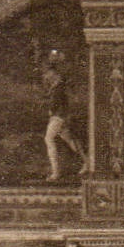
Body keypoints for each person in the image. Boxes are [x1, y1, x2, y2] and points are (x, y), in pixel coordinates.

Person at [41, 48, 88, 181]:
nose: (47, 77)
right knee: (70, 140)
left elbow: (61, 104)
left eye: (50, 75)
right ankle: (88, 162)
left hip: (59, 117)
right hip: (58, 116)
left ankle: (56, 172)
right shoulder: (54, 87)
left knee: (49, 139)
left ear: (55, 75)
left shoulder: (59, 87)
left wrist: (58, 115)